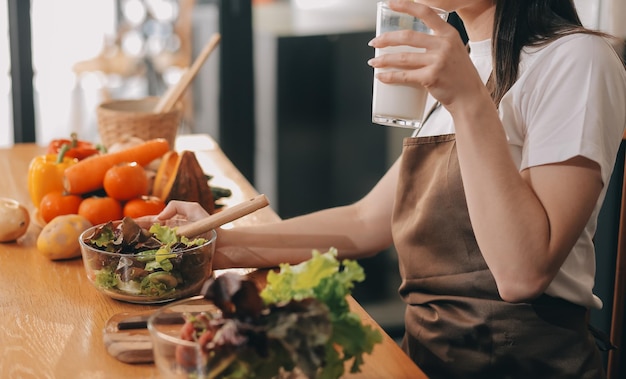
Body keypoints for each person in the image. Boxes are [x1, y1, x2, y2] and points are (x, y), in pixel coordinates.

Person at [157, 0, 626, 377]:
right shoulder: (460, 60)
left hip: (519, 362)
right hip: (422, 359)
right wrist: (217, 244)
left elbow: (523, 275)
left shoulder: (576, 59)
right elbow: (365, 221)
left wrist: (467, 99)